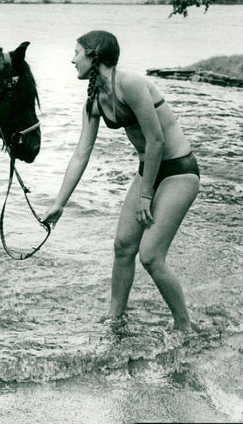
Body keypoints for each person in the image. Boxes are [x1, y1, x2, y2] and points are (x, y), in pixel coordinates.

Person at [42, 30, 199, 332]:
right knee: (123, 246)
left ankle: (184, 326)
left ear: (94, 56)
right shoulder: (94, 100)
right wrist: (60, 203)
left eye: (77, 53)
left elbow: (155, 140)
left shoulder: (130, 83)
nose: (72, 59)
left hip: (179, 170)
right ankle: (116, 319)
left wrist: (145, 196)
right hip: (149, 171)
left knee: (151, 256)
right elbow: (80, 155)